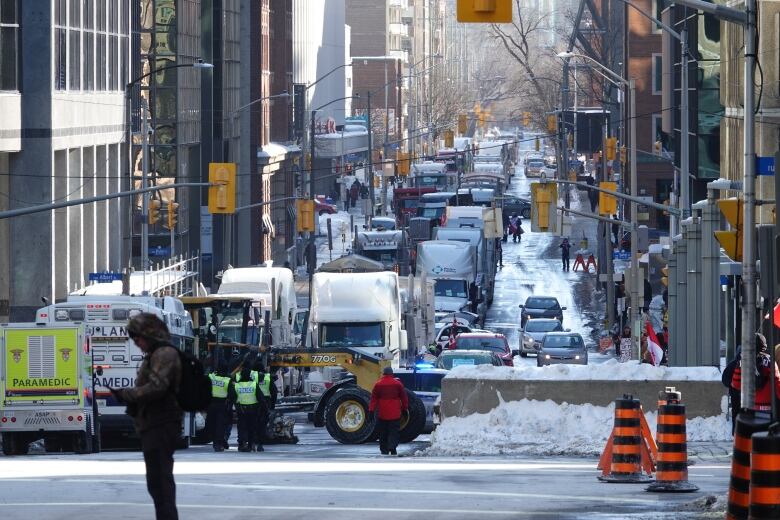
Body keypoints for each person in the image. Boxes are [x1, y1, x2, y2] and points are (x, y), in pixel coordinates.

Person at [111, 313, 181, 520]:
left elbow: (158, 387)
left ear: (149, 335)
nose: (137, 344)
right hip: (152, 425)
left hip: (162, 425)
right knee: (156, 483)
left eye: (138, 339)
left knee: (161, 482)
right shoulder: (154, 355)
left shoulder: (164, 353)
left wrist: (129, 394)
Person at [730, 333, 780, 415]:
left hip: (749, 409)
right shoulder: (771, 362)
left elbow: (736, 384)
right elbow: (778, 387)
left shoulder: (742, 362)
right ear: (764, 346)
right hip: (767, 408)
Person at [368, 366, 409, 456]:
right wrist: (405, 408)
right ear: (391, 373)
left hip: (382, 413)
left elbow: (374, 398)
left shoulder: (378, 384)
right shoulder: (398, 384)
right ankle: (392, 447)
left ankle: (384, 449)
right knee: (394, 431)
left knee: (383, 432)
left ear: (383, 374)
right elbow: (404, 397)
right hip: (395, 412)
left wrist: (371, 410)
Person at [229, 366, 263, 452]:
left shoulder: (237, 385)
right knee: (251, 428)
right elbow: (260, 397)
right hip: (252, 410)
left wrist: (235, 406)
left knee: (241, 427)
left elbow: (232, 397)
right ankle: (250, 445)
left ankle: (241, 444)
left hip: (241, 410)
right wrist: (261, 408)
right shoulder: (254, 384)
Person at [206, 362, 232, 452]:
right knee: (220, 425)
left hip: (211, 404)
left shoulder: (211, 377)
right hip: (222, 405)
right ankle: (218, 443)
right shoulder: (227, 380)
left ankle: (216, 442)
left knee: (212, 424)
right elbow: (232, 394)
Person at [722, 346, 741, 434]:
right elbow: (725, 379)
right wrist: (731, 383)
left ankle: (737, 432)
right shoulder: (733, 364)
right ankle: (736, 432)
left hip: (738, 394)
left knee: (737, 413)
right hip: (736, 394)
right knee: (736, 412)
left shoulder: (733, 363)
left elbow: (725, 378)